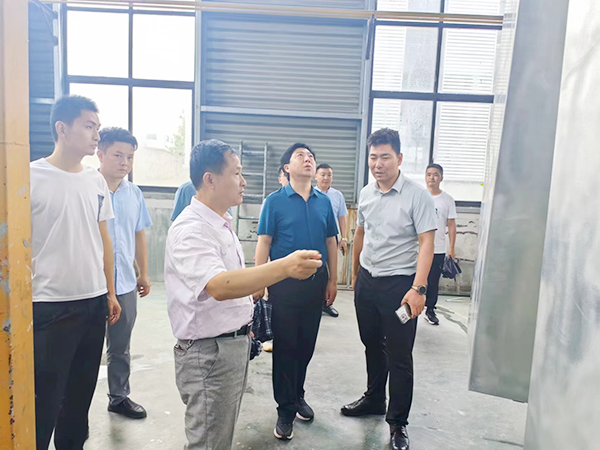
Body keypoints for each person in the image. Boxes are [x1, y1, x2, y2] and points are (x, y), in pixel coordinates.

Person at [164, 139, 323, 450]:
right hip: (209, 354)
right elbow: (219, 285)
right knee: (208, 442)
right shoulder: (191, 229)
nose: (243, 181)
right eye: (236, 173)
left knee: (219, 436)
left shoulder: (219, 223)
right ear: (210, 179)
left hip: (229, 346)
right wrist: (284, 267)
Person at [30, 95, 121, 450]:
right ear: (62, 129)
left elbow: (104, 240)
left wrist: (110, 292)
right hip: (49, 305)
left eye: (97, 127)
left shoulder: (95, 181)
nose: (96, 135)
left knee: (79, 399)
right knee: (44, 400)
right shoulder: (29, 177)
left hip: (93, 303)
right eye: (88, 126)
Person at [341, 128, 436, 450]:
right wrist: (356, 274)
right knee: (371, 343)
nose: (378, 164)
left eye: (385, 157)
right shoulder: (367, 192)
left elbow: (426, 243)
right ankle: (374, 399)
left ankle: (398, 423)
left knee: (399, 355)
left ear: (399, 158)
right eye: (373, 157)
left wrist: (418, 288)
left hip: (400, 285)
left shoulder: (417, 195)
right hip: (368, 281)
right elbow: (360, 233)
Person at [255, 143, 338, 441]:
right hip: (284, 284)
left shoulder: (323, 202)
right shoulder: (275, 201)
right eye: (300, 156)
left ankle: (297, 394)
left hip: (316, 284)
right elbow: (264, 242)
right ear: (287, 168)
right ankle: (285, 409)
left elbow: (331, 241)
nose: (308, 159)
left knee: (306, 345)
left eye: (311, 156)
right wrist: (260, 279)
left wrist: (333, 280)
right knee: (286, 347)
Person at [97, 127, 153, 418]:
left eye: (129, 157)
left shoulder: (134, 193)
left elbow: (139, 234)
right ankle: (71, 409)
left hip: (126, 285)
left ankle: (118, 397)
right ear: (100, 154)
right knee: (84, 348)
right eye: (118, 155)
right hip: (92, 285)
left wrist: (143, 273)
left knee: (120, 346)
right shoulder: (88, 189)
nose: (124, 162)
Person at [315, 163, 349, 318]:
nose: (326, 178)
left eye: (329, 175)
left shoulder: (337, 195)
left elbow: (342, 217)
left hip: (332, 237)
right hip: (315, 237)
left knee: (331, 271)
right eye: (322, 174)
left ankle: (327, 303)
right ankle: (315, 303)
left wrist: (343, 238)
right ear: (316, 176)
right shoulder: (310, 194)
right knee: (316, 270)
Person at [424, 163, 457, 326]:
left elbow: (451, 225)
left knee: (433, 281)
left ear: (441, 178)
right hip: (417, 248)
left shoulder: (447, 200)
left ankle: (430, 309)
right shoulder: (419, 196)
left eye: (435, 174)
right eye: (429, 174)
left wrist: (451, 248)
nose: (432, 177)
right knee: (410, 278)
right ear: (425, 177)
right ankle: (408, 308)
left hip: (437, 248)